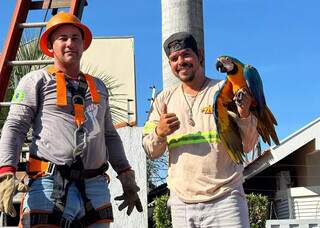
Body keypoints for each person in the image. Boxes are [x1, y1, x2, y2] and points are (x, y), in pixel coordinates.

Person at [0, 12, 142, 227]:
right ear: (50, 45)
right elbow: (15, 127)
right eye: (62, 38)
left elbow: (109, 135)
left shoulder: (99, 87)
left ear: (83, 44)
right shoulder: (36, 81)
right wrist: (6, 172)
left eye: (75, 38)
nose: (70, 44)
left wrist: (126, 175)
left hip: (94, 187)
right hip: (49, 184)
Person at [142, 31, 258, 228]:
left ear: (200, 55)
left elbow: (248, 146)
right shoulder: (163, 100)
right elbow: (150, 151)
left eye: (186, 54)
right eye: (174, 59)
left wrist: (245, 114)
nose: (180, 62)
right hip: (182, 204)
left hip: (226, 200)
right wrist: (159, 133)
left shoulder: (226, 90)